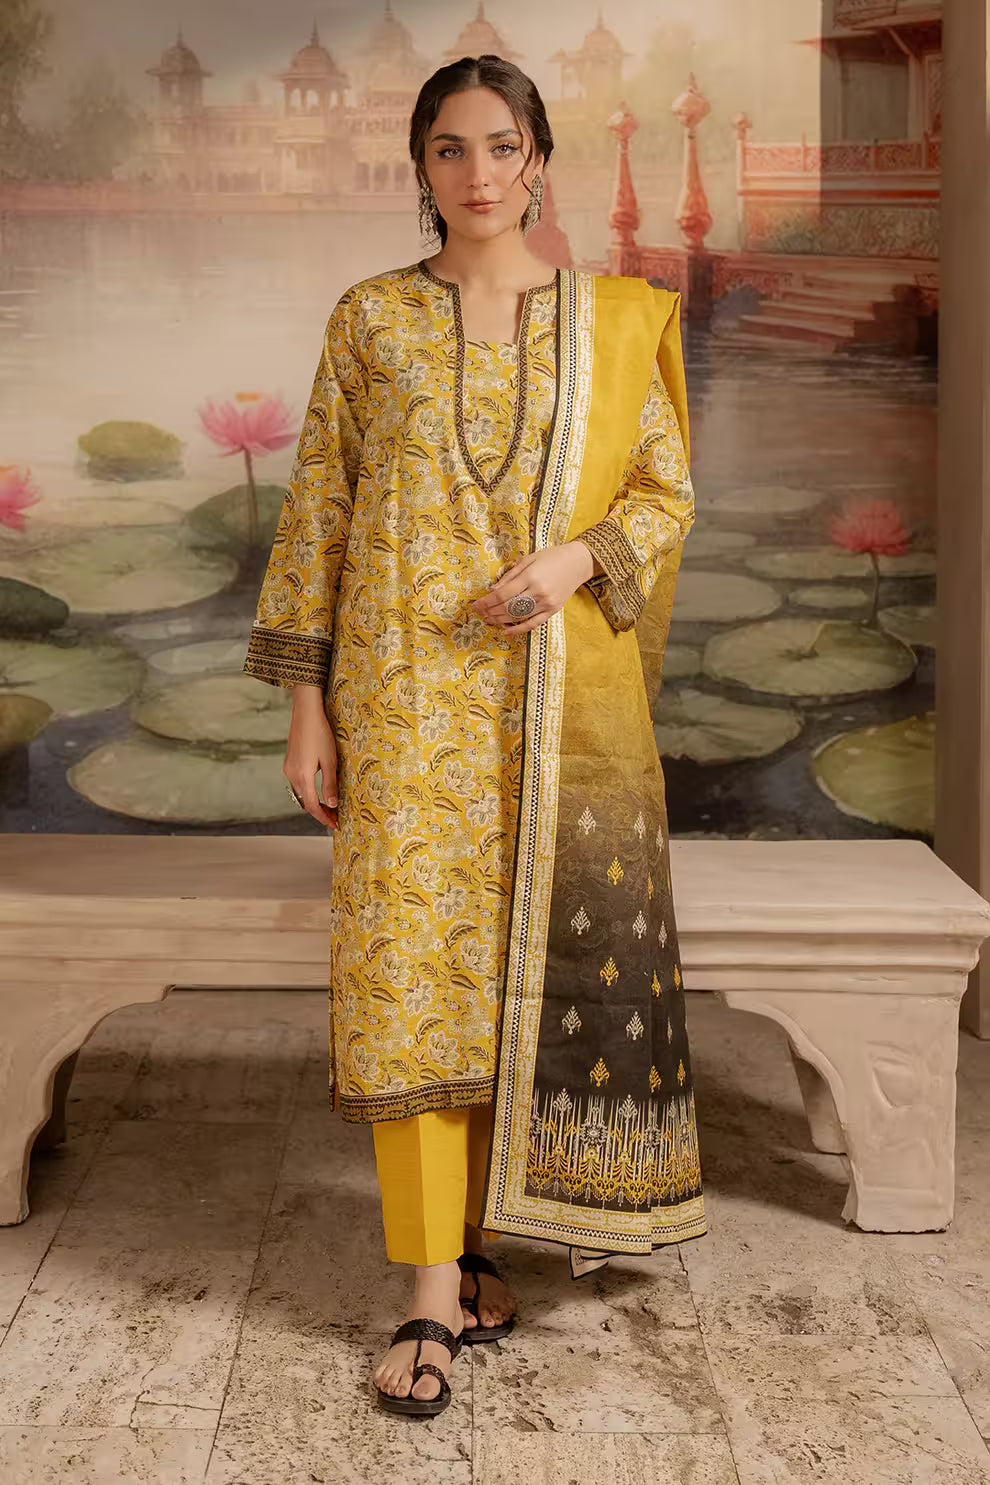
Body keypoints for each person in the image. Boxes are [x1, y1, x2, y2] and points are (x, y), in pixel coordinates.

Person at [244, 53, 706, 1419]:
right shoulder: (373, 320)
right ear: (422, 168)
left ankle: (483, 1232)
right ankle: (427, 1295)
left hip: (562, 708)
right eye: (450, 150)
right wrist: (307, 704)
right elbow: (318, 511)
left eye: (502, 146)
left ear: (541, 157)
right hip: (403, 704)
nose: (479, 173)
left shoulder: (610, 318)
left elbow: (667, 493)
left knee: (526, 965)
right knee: (411, 983)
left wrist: (572, 561)